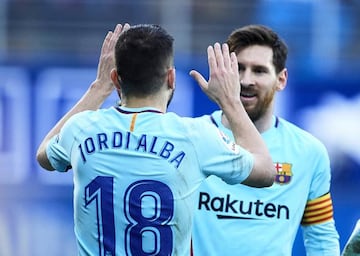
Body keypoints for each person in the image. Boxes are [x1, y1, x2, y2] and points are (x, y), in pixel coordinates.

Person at [36, 23, 276, 256]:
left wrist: (99, 87)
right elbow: (265, 172)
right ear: (171, 78)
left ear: (116, 79)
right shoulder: (195, 136)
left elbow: (44, 155)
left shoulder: (81, 128)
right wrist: (230, 101)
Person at [191, 25, 340, 256]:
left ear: (281, 79)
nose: (246, 79)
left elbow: (321, 237)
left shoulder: (309, 152)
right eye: (238, 68)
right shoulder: (194, 138)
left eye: (259, 71)